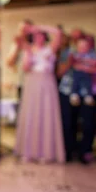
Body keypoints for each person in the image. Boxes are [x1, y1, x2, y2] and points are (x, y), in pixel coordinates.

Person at [14, 24, 65, 163]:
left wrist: (38, 27)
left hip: (47, 82)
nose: (38, 37)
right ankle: (28, 152)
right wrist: (28, 53)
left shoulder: (50, 48)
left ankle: (46, 153)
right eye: (36, 35)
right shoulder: (28, 49)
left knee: (46, 114)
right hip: (32, 82)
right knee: (31, 114)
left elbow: (58, 32)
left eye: (41, 35)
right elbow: (26, 67)